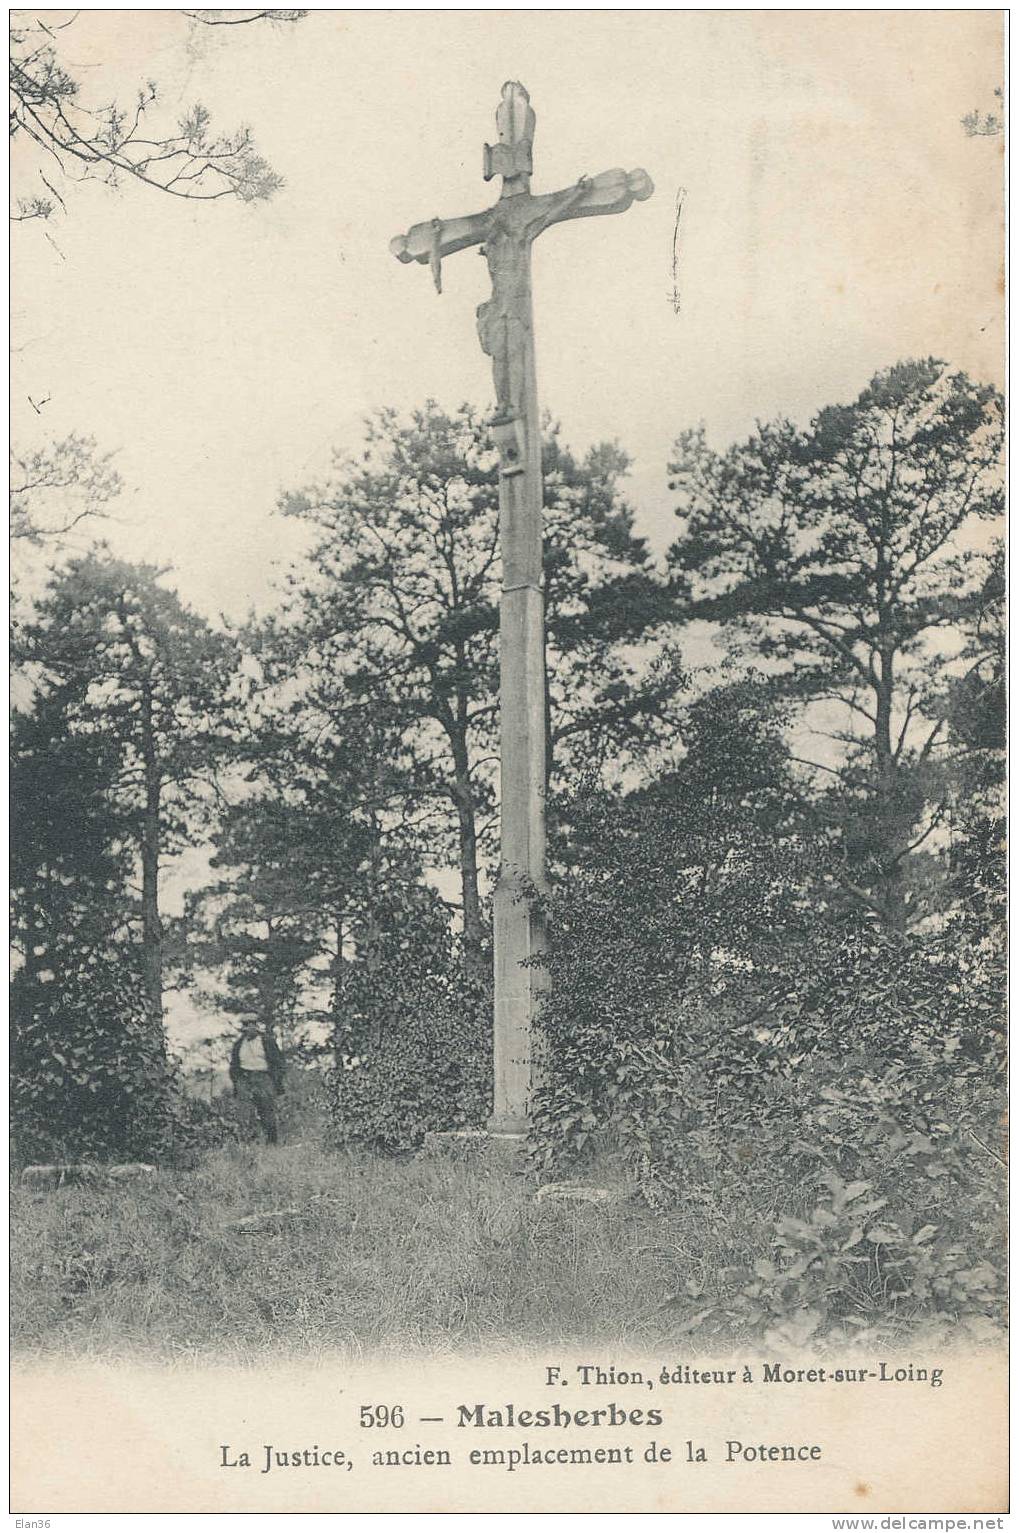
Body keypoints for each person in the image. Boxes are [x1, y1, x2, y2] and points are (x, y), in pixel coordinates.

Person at [229, 1019, 286, 1145]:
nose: (250, 1028)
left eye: (252, 1024)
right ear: (243, 1028)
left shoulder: (267, 1041)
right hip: (244, 1079)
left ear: (256, 1026)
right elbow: (234, 1065)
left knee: (267, 1111)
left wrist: (274, 1080)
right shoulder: (239, 1044)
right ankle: (248, 1142)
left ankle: (272, 1143)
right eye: (246, 1025)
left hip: (263, 1078)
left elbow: (279, 1062)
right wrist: (238, 1081)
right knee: (245, 1112)